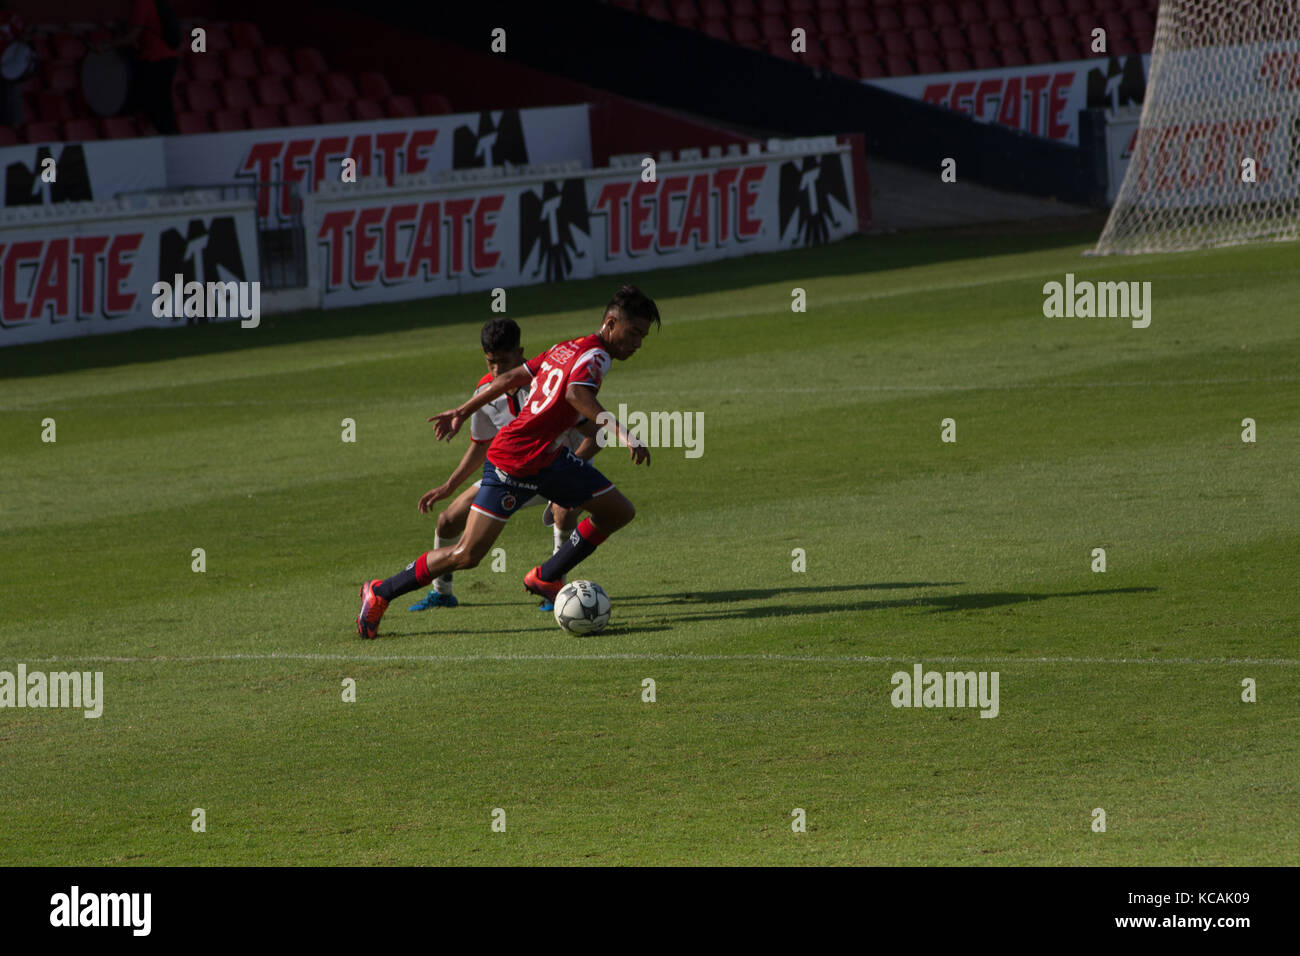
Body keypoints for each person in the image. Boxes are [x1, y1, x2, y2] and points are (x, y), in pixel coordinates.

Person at [356, 284, 660, 640]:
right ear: (610, 323)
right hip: (513, 462)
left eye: (642, 336)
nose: (638, 343)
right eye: (634, 333)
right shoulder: (596, 357)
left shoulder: (568, 347)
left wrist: (462, 409)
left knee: (618, 511)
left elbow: (514, 377)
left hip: (549, 459)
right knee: (466, 555)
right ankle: (380, 592)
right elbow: (575, 393)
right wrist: (623, 433)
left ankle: (546, 576)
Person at [408, 317, 600, 613]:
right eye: (490, 362)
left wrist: (572, 469)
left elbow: (596, 435)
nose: (497, 370)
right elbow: (479, 447)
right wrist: (449, 485)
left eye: (504, 361)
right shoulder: (485, 392)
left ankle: (554, 586)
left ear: (521, 352)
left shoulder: (547, 382)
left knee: (564, 511)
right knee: (448, 520)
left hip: (558, 467)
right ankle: (442, 593)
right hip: (513, 472)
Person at [110, 0, 180, 134]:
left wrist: (106, 46)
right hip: (168, 59)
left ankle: (166, 137)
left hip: (155, 60)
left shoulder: (142, 3)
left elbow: (131, 37)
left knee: (158, 106)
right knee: (161, 104)